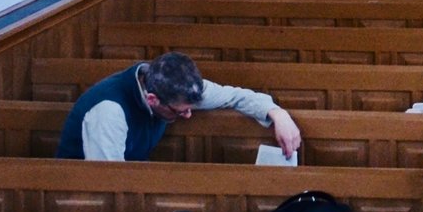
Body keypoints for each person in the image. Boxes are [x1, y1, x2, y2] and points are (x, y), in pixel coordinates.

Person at [57, 50, 302, 161]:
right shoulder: (110, 111)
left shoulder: (180, 87)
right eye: (180, 111)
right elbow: (106, 185)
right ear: (152, 100)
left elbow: (235, 97)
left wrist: (277, 114)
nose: (187, 115)